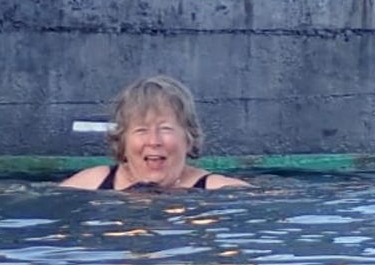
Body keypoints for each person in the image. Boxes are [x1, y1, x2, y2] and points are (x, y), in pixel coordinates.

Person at [62, 76, 250, 191]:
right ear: (122, 141)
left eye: (166, 129)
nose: (153, 141)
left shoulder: (219, 190)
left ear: (188, 137)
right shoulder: (89, 184)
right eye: (141, 130)